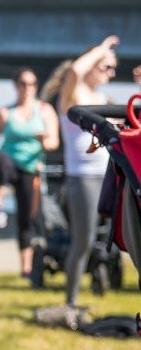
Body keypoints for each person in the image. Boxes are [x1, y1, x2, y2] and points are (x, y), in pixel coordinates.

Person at [0, 68, 60, 278]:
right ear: (16, 86)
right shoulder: (5, 113)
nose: (27, 88)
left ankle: (26, 268)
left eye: (32, 84)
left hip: (31, 168)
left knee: (27, 219)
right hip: (9, 162)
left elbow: (54, 142)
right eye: (23, 84)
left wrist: (43, 139)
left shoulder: (45, 110)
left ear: (36, 86)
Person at [57, 36, 119, 305]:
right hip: (82, 178)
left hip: (107, 174)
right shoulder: (73, 96)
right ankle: (71, 302)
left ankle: (100, 278)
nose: (111, 73)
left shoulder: (104, 98)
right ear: (92, 65)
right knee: (83, 241)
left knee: (114, 235)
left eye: (112, 68)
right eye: (105, 66)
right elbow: (73, 71)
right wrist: (100, 50)